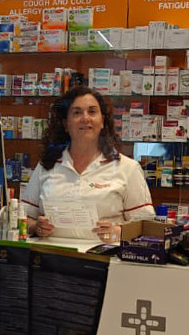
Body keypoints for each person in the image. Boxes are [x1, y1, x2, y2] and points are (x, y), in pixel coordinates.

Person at [21, 85, 154, 239]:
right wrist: (36, 226)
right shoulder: (47, 165)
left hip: (104, 258)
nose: (85, 118)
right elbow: (23, 216)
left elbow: (146, 223)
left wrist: (118, 231)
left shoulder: (127, 168)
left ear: (102, 121)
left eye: (92, 111)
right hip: (51, 257)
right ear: (65, 124)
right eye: (77, 113)